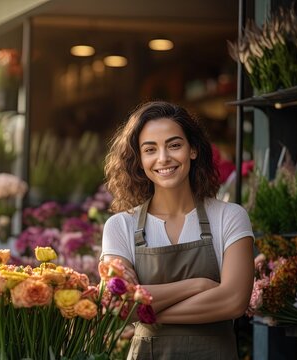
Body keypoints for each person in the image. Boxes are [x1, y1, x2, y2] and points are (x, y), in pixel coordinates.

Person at [101, 101, 254, 359]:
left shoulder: (229, 217)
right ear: (139, 160)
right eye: (150, 149)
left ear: (192, 149)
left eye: (174, 145)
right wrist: (198, 285)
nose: (163, 158)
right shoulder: (120, 226)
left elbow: (233, 301)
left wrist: (146, 312)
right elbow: (119, 304)